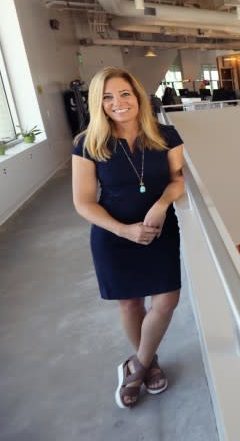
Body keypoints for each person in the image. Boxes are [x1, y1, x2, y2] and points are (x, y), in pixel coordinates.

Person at [71, 67, 185, 409]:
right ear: (98, 104)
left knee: (166, 301)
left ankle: (135, 365)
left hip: (159, 230)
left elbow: (177, 180)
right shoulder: (87, 143)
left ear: (137, 96)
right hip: (114, 234)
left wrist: (162, 204)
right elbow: (83, 203)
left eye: (124, 94)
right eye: (107, 97)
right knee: (131, 303)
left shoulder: (166, 135)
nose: (117, 103)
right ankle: (147, 366)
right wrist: (125, 230)